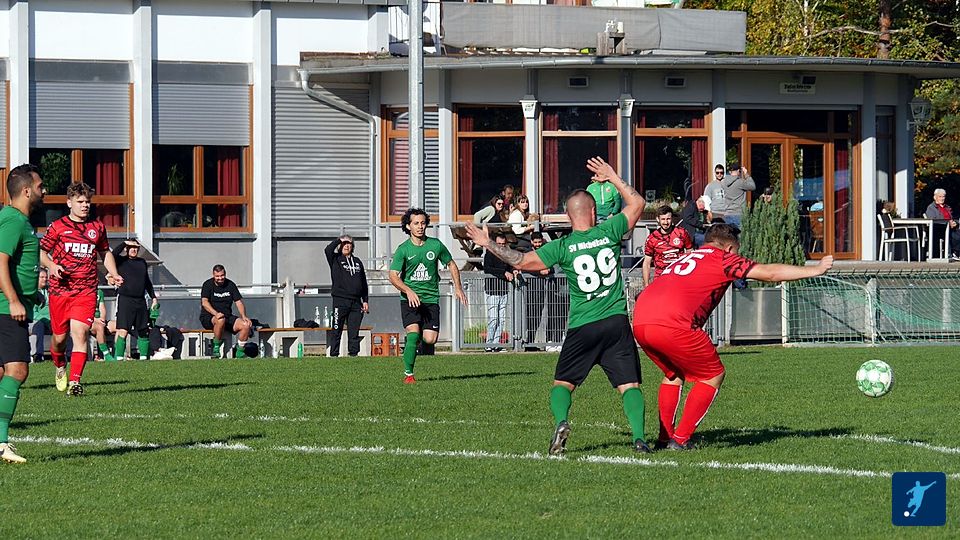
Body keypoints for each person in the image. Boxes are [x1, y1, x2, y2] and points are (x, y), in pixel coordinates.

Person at [466, 156, 651, 455]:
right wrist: (613, 176)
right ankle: (639, 439)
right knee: (629, 386)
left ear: (568, 216)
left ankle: (562, 421)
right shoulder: (610, 230)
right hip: (615, 321)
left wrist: (488, 244)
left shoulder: (562, 247)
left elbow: (521, 261)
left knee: (562, 384)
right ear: (594, 211)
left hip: (582, 325)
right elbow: (638, 203)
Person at [633, 224, 833, 450]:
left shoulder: (687, 257)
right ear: (729, 248)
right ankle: (680, 440)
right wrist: (815, 270)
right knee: (712, 375)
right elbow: (770, 273)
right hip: (673, 322)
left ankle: (664, 439)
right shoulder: (722, 258)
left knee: (674, 374)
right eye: (737, 250)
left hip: (641, 320)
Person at [40, 182, 122, 396]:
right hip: (60, 290)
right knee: (59, 339)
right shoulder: (57, 227)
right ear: (69, 203)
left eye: (87, 202)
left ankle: (75, 382)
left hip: (86, 290)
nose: (85, 205)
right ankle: (60, 365)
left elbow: (105, 252)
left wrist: (113, 273)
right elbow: (41, 252)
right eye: (80, 201)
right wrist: (52, 265)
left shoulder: (97, 227)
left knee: (81, 333)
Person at [388, 208, 468, 384]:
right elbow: (393, 275)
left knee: (430, 339)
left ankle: (417, 342)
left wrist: (458, 287)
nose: (420, 226)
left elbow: (451, 264)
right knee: (413, 334)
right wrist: (408, 291)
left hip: (431, 299)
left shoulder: (435, 245)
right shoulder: (403, 249)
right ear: (408, 226)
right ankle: (409, 374)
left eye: (423, 223)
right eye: (416, 223)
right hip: (410, 300)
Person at [0, 163, 46, 462]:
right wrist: (14, 300)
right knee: (17, 370)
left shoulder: (21, 221)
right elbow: (0, 260)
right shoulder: (13, 220)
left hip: (10, 306)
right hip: (6, 309)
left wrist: (30, 293)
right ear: (27, 191)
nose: (45, 191)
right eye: (40, 186)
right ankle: (1, 442)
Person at [113, 240, 159, 361]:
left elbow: (147, 281)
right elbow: (113, 255)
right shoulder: (121, 260)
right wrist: (124, 243)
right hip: (125, 300)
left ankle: (143, 358)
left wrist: (154, 297)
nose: (134, 250)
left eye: (136, 248)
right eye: (131, 247)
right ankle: (119, 358)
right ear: (126, 249)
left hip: (140, 300)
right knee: (123, 330)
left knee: (143, 330)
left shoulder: (142, 262)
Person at [325, 235, 369, 357]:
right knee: (336, 329)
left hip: (356, 302)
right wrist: (340, 240)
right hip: (340, 300)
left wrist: (365, 300)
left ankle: (353, 354)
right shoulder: (335, 259)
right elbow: (328, 250)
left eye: (349, 244)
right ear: (340, 245)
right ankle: (334, 354)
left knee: (354, 330)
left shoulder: (357, 262)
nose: (346, 246)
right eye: (344, 244)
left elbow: (363, 282)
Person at [199, 264, 254, 358]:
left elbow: (238, 302)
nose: (220, 278)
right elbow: (204, 303)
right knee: (220, 320)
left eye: (222, 275)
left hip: (227, 316)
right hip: (210, 317)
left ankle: (240, 352)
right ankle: (216, 347)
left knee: (246, 325)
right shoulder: (207, 285)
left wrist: (244, 316)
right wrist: (216, 314)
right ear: (213, 275)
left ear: (225, 274)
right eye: (217, 276)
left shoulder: (230, 285)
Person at [522, 232, 561, 351]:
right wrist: (539, 271)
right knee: (533, 314)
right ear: (531, 242)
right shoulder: (528, 253)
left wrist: (549, 270)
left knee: (551, 313)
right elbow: (525, 267)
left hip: (548, 287)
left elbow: (553, 265)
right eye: (536, 242)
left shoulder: (546, 250)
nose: (538, 244)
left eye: (539, 242)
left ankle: (549, 340)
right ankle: (530, 342)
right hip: (534, 287)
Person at [643, 205, 693, 287]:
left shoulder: (681, 233)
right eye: (663, 219)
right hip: (661, 279)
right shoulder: (652, 238)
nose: (666, 222)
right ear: (658, 219)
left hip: (679, 277)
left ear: (672, 218)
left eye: (668, 219)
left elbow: (690, 252)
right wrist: (646, 285)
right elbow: (647, 263)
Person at [483, 232, 515, 352]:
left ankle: (496, 344)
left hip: (503, 290)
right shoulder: (489, 253)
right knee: (493, 319)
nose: (501, 246)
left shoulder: (506, 255)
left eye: (503, 244)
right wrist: (503, 272)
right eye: (499, 244)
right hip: (492, 290)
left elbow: (510, 267)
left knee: (501, 319)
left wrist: (514, 271)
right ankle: (489, 344)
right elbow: (487, 269)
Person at [923, 188, 960, 260]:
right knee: (955, 235)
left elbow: (954, 217)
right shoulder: (931, 208)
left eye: (943, 196)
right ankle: (953, 253)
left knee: (957, 233)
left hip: (951, 227)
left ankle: (956, 252)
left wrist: (955, 222)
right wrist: (947, 223)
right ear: (935, 197)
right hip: (939, 229)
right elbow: (932, 220)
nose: (942, 198)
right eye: (940, 196)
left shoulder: (947, 207)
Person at [716, 163, 756, 228]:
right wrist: (746, 174)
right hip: (738, 214)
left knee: (729, 234)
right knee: (740, 234)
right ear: (738, 171)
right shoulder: (740, 182)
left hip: (728, 214)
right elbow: (753, 186)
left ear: (730, 172)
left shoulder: (723, 182)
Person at [29, 268, 51, 363]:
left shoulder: (50, 291)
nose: (44, 279)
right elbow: (34, 313)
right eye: (42, 277)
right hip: (35, 321)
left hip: (51, 321)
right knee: (39, 325)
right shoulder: (32, 292)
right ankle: (38, 355)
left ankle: (69, 355)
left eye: (46, 277)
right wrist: (47, 321)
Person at [90, 288, 115, 361]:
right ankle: (106, 355)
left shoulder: (99, 292)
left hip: (100, 320)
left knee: (120, 326)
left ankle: (117, 356)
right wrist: (95, 320)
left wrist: (102, 319)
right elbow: (82, 312)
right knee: (99, 327)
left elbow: (102, 308)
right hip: (88, 321)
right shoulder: (83, 292)